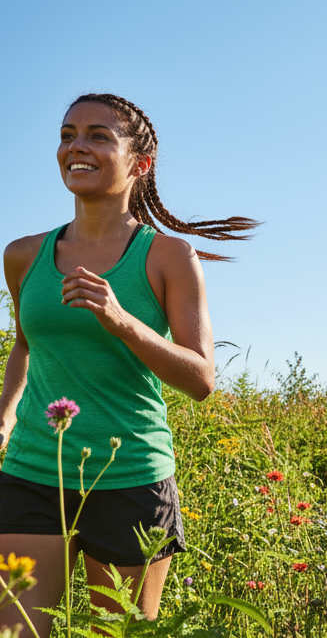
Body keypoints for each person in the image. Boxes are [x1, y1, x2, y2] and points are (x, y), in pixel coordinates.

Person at [0, 93, 258, 636]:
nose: (76, 146)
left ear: (140, 163)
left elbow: (201, 379)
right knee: (14, 631)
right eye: (68, 135)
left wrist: (123, 321)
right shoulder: (23, 255)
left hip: (131, 475)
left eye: (98, 136)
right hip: (31, 471)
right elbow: (25, 344)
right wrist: (3, 416)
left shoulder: (168, 257)